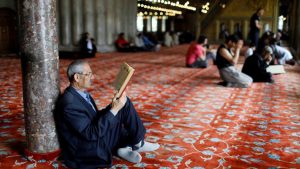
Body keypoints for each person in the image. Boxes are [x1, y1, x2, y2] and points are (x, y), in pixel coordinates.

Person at [56, 60, 160, 169]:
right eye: (89, 74)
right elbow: (91, 134)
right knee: (117, 113)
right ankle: (131, 144)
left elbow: (95, 117)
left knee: (124, 104)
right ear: (77, 77)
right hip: (89, 149)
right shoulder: (69, 103)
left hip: (94, 136)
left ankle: (133, 144)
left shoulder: (80, 93)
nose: (92, 77)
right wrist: (114, 110)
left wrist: (113, 106)